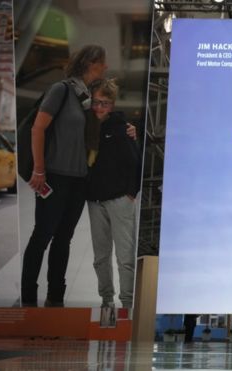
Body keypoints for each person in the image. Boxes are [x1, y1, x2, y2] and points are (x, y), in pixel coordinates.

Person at [21, 45, 108, 307]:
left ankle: (55, 298)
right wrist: (38, 169)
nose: (105, 67)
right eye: (102, 63)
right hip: (55, 178)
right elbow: (38, 128)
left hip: (78, 180)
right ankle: (28, 298)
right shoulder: (61, 90)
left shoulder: (89, 95)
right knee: (42, 236)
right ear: (90, 62)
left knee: (63, 239)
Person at [85, 79, 141, 309]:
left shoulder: (120, 127)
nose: (100, 108)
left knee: (125, 255)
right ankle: (106, 300)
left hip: (120, 199)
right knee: (101, 256)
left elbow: (135, 161)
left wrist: (131, 192)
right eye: (97, 102)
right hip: (95, 200)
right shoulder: (85, 125)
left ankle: (127, 303)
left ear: (112, 104)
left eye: (105, 103)